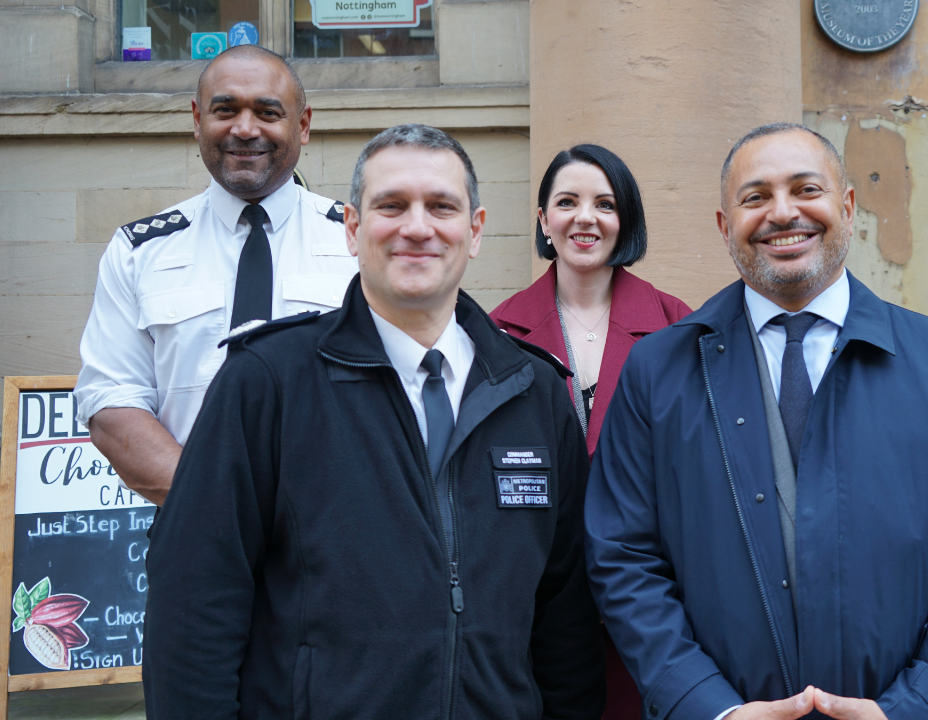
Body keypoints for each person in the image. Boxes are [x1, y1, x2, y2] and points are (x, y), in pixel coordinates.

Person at [142, 124, 605, 719]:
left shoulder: (534, 392)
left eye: (442, 206)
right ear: (354, 230)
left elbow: (565, 617)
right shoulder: (266, 382)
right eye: (392, 206)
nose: (418, 227)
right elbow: (195, 602)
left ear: (476, 230)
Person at [585, 122, 928, 720]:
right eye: (755, 197)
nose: (782, 213)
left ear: (847, 207)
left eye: (806, 189)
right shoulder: (658, 370)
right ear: (725, 226)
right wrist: (705, 707)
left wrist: (922, 707)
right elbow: (623, 556)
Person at [73, 45, 357, 506]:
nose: (245, 129)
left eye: (267, 112)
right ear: (197, 119)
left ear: (302, 126)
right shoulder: (138, 252)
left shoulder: (360, 245)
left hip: (339, 536)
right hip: (193, 534)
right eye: (225, 110)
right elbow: (112, 402)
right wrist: (212, 508)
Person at [490, 144, 692, 718]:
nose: (586, 218)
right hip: (538, 605)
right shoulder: (497, 330)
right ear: (543, 221)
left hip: (652, 602)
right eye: (567, 202)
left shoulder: (678, 324)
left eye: (605, 204)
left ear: (625, 218)